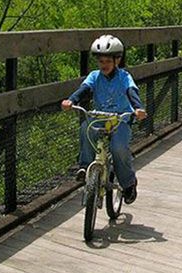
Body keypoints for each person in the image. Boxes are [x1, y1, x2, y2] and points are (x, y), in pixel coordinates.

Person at [61, 35, 147, 204]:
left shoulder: (124, 77)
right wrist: (71, 100)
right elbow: (84, 89)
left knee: (118, 148)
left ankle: (128, 183)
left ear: (117, 60)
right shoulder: (95, 76)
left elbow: (131, 92)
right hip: (99, 116)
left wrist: (138, 108)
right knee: (86, 129)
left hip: (120, 118)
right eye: (101, 61)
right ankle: (85, 167)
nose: (104, 65)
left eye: (108, 61)